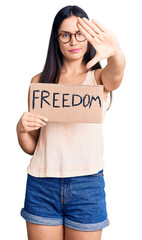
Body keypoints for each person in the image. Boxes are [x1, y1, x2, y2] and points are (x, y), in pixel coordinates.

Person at [16, 5, 126, 240]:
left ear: (88, 38)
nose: (73, 41)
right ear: (56, 39)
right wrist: (21, 129)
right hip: (42, 185)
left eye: (79, 34)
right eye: (65, 35)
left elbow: (116, 74)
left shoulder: (98, 79)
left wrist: (115, 51)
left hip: (86, 186)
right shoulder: (40, 82)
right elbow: (34, 147)